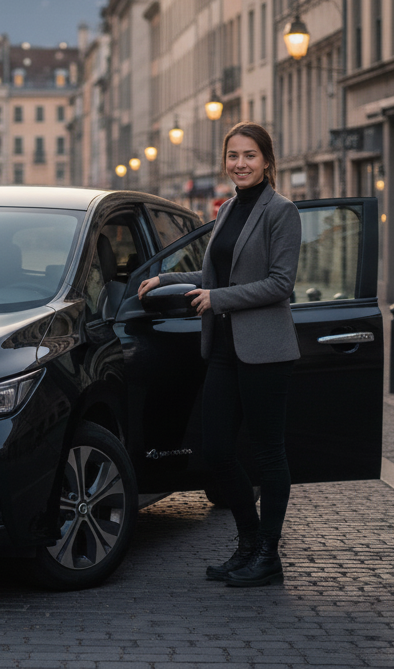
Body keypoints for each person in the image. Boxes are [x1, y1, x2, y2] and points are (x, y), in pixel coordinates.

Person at [138, 121, 301, 587]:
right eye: (233, 155)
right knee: (215, 450)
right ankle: (247, 543)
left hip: (266, 350)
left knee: (269, 455)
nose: (240, 164)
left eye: (250, 156)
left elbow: (280, 283)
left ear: (267, 161)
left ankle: (268, 554)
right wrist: (167, 279)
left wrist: (218, 299)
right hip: (225, 348)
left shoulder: (281, 211)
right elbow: (215, 275)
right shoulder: (228, 208)